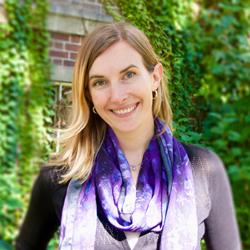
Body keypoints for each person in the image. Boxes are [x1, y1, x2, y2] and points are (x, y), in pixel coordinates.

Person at [16, 22, 241, 250]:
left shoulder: (203, 170)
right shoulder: (58, 178)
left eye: (129, 74)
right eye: (100, 82)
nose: (117, 95)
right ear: (89, 94)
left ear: (155, 78)